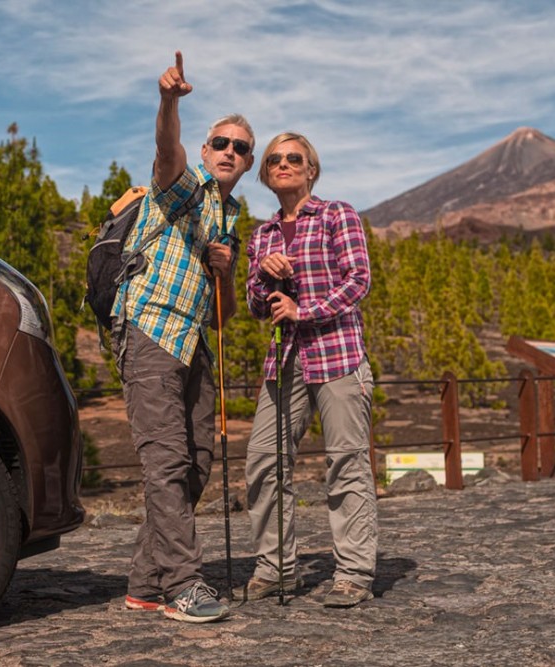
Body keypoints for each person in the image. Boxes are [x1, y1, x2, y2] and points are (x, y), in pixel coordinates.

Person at [111, 51, 254, 623]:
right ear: (205, 150)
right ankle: (184, 584)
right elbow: (164, 149)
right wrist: (168, 101)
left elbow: (225, 316)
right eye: (221, 142)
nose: (229, 152)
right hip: (149, 329)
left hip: (194, 340)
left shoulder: (231, 217)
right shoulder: (181, 185)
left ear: (247, 164)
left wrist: (226, 269)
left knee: (197, 460)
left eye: (241, 148)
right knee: (166, 461)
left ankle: (146, 583)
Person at [243, 131, 378, 608]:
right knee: (263, 461)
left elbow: (359, 280)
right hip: (285, 361)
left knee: (346, 462)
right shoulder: (260, 235)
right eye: (274, 159)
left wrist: (308, 310)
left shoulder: (337, 214)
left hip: (338, 353)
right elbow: (257, 307)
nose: (283, 164)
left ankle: (354, 574)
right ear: (266, 173)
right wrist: (264, 278)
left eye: (293, 158)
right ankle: (277, 568)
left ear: (310, 169)